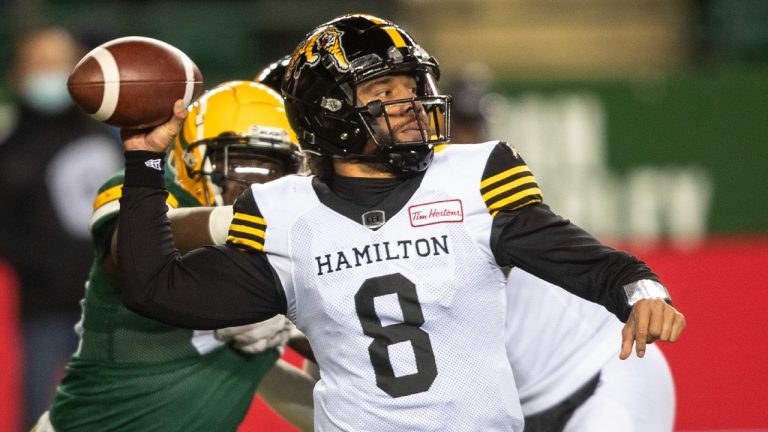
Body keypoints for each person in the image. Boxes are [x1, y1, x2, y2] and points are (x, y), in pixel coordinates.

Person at [114, 14, 685, 431]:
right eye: (384, 91)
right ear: (327, 116)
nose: (409, 105)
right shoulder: (287, 216)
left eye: (411, 88)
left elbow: (584, 259)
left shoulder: (472, 177)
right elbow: (151, 284)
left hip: (589, 381)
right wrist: (142, 160)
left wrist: (638, 290)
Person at [35, 81, 316, 432]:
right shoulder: (147, 193)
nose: (257, 190)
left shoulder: (289, 250)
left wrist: (298, 323)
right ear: (192, 160)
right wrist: (244, 221)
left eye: (276, 174)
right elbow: (136, 250)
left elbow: (352, 360)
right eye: (242, 169)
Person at [445, 72, 677, 431]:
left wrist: (644, 290)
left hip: (598, 377)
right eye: (460, 126)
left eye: (474, 127)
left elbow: (601, 265)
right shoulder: (411, 207)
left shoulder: (491, 192)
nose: (467, 138)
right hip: (517, 413)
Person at [0, 26, 122, 429]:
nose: (48, 74)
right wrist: (54, 268)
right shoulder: (10, 151)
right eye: (39, 64)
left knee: (117, 416)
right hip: (45, 310)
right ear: (19, 74)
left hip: (117, 309)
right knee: (40, 415)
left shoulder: (110, 137)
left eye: (58, 63)